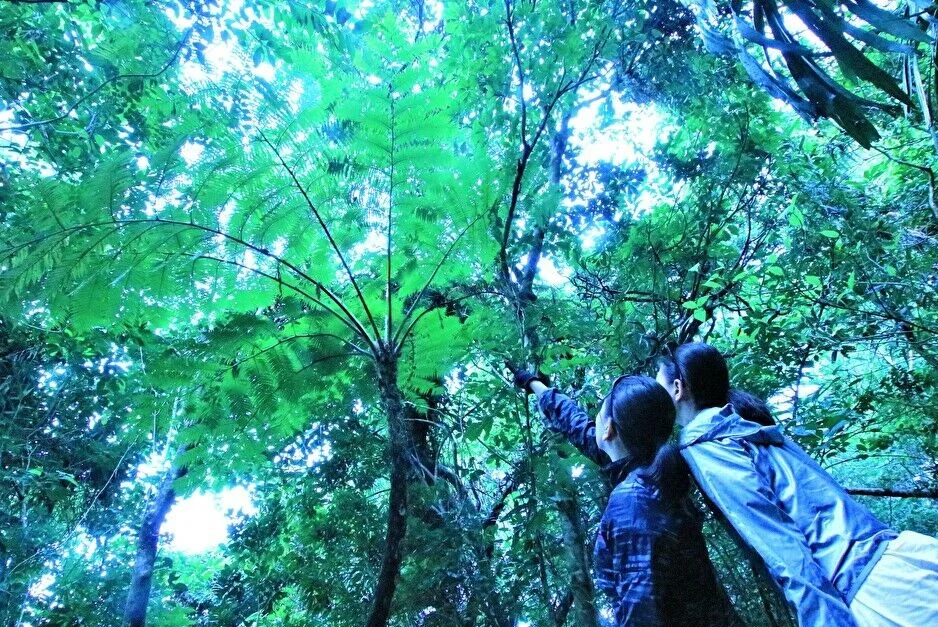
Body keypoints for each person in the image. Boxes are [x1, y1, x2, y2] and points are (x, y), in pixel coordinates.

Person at [656, 342, 938, 627]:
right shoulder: (748, 426)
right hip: (905, 557)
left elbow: (782, 546)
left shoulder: (707, 445)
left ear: (678, 389)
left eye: (660, 388)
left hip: (878, 593)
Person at [508, 364, 741, 626]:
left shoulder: (634, 502)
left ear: (608, 430)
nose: (592, 421)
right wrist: (534, 385)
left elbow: (642, 614)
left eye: (598, 415)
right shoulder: (649, 472)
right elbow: (578, 426)